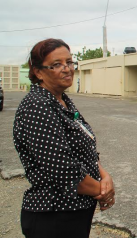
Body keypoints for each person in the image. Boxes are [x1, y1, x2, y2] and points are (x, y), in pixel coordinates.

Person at [13, 38, 115, 238]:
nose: (67, 69)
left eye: (69, 62)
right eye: (57, 64)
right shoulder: (37, 106)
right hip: (54, 216)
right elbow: (64, 172)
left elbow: (86, 146)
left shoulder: (62, 101)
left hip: (75, 212)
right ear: (38, 72)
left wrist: (105, 176)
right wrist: (103, 191)